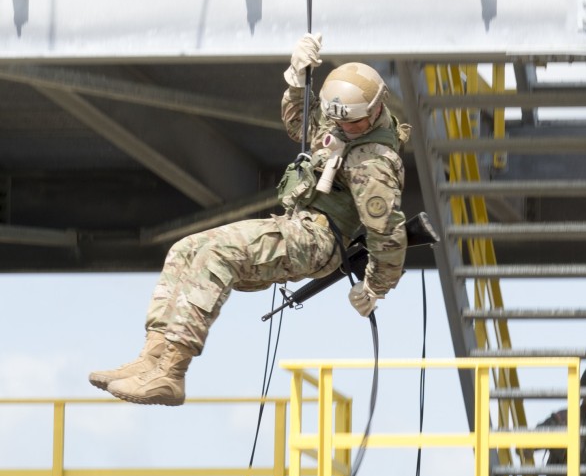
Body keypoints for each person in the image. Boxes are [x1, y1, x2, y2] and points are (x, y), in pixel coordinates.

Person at [89, 34, 411, 405]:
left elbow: (387, 235)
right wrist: (296, 78)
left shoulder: (374, 162)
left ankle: (171, 373)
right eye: (338, 120)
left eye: (352, 123)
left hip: (319, 241)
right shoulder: (345, 124)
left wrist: (373, 287)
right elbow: (300, 127)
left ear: (374, 112)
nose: (343, 128)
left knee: (217, 255)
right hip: (299, 226)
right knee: (186, 249)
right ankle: (153, 356)